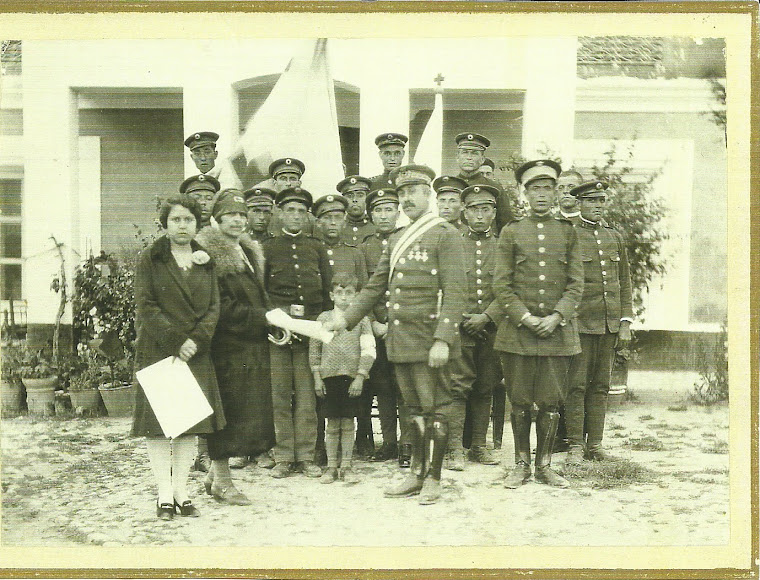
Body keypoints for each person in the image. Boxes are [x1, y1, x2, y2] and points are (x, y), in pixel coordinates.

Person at [324, 164, 467, 505]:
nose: (406, 200)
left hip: (430, 340)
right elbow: (375, 287)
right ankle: (416, 473)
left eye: (412, 192)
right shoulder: (398, 237)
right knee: (414, 410)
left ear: (427, 194)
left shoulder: (445, 233)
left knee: (436, 410)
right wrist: (345, 319)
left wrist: (443, 340)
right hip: (401, 340)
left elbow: (457, 291)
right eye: (401, 193)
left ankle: (433, 478)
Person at [131, 194, 225, 520]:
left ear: (197, 223)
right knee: (160, 429)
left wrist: (196, 341)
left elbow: (214, 306)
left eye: (188, 219)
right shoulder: (150, 258)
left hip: (194, 353)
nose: (182, 225)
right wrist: (176, 341)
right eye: (176, 220)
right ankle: (164, 495)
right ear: (165, 223)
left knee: (188, 426)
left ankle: (183, 492)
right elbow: (146, 307)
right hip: (161, 351)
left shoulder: (206, 259)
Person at [492, 159, 583, 489]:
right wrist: (526, 318)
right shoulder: (511, 232)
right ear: (524, 192)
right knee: (519, 401)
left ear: (556, 192)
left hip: (556, 333)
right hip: (518, 333)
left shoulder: (568, 232)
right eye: (535, 188)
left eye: (548, 188)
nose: (542, 195)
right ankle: (520, 464)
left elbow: (576, 284)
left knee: (550, 401)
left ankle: (544, 465)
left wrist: (557, 317)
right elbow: (501, 285)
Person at [195, 191, 276, 503]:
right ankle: (224, 482)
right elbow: (218, 306)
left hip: (250, 345)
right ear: (217, 217)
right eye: (230, 214)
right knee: (225, 414)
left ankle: (215, 475)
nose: (238, 220)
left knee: (244, 412)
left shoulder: (245, 250)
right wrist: (261, 317)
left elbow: (258, 296)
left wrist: (274, 321)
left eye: (242, 215)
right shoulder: (207, 254)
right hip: (225, 347)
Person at [263, 187, 332, 479]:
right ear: (279, 213)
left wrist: (321, 326)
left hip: (310, 332)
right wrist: (275, 323)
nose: (295, 216)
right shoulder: (267, 248)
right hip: (278, 333)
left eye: (301, 211)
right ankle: (283, 456)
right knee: (279, 395)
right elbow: (261, 291)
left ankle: (305, 456)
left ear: (307, 216)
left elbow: (327, 291)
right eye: (289, 210)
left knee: (306, 396)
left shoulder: (316, 247)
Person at [564, 180, 633, 464]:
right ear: (579, 203)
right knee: (576, 385)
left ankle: (596, 445)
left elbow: (624, 282)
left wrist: (625, 322)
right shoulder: (569, 235)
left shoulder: (613, 237)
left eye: (601, 201)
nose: (597, 206)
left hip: (608, 324)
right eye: (591, 201)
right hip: (579, 324)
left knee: (601, 386)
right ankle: (574, 447)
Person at [447, 184, 503, 470]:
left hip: (493, 328)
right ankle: (454, 448)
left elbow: (508, 286)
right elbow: (445, 286)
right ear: (464, 212)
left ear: (493, 212)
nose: (479, 215)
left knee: (485, 386)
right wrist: (462, 318)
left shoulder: (504, 244)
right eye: (473, 210)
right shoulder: (452, 242)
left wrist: (488, 316)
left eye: (485, 209)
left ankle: (479, 446)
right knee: (458, 386)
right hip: (460, 328)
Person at [312, 193, 369, 463]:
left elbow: (365, 290)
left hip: (350, 329)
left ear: (345, 220)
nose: (333, 223)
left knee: (350, 403)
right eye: (327, 218)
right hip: (320, 328)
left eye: (338, 217)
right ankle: (319, 447)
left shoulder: (354, 252)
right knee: (320, 398)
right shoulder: (313, 249)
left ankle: (357, 445)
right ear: (318, 222)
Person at [310, 273, 376, 484]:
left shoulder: (362, 320)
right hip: (329, 378)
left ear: (356, 295)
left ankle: (346, 466)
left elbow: (369, 351)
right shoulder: (323, 319)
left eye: (349, 293)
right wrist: (317, 377)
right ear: (332, 295)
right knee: (332, 423)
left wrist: (360, 376)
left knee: (348, 422)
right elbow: (315, 350)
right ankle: (331, 467)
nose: (344, 297)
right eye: (339, 292)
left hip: (351, 379)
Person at [360, 188, 409, 466]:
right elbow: (363, 289)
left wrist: (395, 322)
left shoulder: (409, 240)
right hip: (376, 329)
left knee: (405, 387)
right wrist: (376, 323)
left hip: (404, 327)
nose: (383, 215)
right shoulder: (364, 247)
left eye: (388, 209)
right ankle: (389, 442)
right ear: (371, 214)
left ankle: (408, 445)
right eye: (378, 210)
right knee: (384, 388)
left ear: (397, 211)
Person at [453, 132, 513, 232]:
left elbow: (506, 225)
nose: (469, 157)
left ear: (482, 159)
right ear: (457, 157)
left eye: (474, 153)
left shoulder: (495, 187)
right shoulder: (450, 186)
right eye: (465, 152)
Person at [263, 158, 317, 236]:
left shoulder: (309, 216)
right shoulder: (267, 213)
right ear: (275, 183)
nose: (288, 183)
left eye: (292, 179)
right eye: (283, 179)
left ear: (299, 183)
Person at [337, 176, 377, 247]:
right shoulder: (336, 228)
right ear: (343, 200)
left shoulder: (376, 228)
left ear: (367, 199)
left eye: (360, 195)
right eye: (349, 196)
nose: (355, 199)